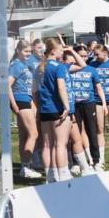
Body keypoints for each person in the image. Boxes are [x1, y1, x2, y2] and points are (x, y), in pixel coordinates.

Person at [35, 38, 72, 182]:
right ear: (54, 51)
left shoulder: (39, 67)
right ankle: (63, 175)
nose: (63, 53)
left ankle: (50, 176)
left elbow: (34, 91)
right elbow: (61, 87)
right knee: (60, 144)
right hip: (57, 108)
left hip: (45, 109)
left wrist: (38, 108)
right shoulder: (59, 67)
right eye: (61, 50)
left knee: (46, 144)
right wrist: (67, 106)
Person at [68, 44, 106, 172]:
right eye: (81, 56)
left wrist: (104, 104)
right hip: (74, 105)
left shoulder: (91, 70)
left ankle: (96, 161)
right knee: (74, 133)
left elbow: (99, 88)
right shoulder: (69, 69)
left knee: (92, 132)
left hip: (89, 103)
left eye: (85, 56)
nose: (83, 58)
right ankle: (76, 162)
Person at [7, 41, 41, 179]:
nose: (28, 54)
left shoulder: (24, 65)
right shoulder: (16, 65)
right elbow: (7, 85)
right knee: (34, 134)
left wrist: (32, 103)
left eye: (30, 51)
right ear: (18, 51)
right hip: (20, 100)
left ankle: (24, 166)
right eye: (25, 51)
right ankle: (26, 167)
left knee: (24, 136)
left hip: (26, 100)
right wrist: (14, 104)